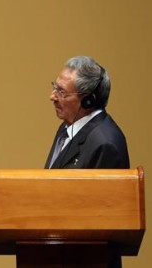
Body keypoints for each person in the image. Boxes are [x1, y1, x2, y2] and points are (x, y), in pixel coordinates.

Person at [46, 55, 129, 268]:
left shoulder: (105, 144)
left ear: (88, 100)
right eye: (55, 87)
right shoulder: (68, 127)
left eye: (62, 92)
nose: (52, 96)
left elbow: (101, 226)